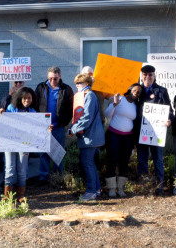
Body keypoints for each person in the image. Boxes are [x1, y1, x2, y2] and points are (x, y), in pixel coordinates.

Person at [134, 64, 172, 195]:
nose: (147, 77)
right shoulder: (136, 91)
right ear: (141, 76)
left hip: (157, 132)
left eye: (150, 75)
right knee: (142, 160)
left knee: (158, 160)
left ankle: (159, 187)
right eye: (145, 75)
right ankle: (145, 187)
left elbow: (170, 111)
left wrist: (169, 120)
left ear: (154, 76)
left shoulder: (162, 91)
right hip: (141, 131)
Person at [35, 66, 74, 185]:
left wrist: (64, 122)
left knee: (58, 153)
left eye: (55, 79)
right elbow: (35, 104)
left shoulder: (66, 89)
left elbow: (70, 108)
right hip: (44, 127)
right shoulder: (41, 87)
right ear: (48, 76)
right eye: (51, 78)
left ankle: (57, 177)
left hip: (58, 126)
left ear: (60, 77)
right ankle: (43, 177)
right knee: (43, 153)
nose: (53, 81)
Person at [0, 86, 37, 202]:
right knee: (9, 168)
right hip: (9, 143)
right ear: (20, 98)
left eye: (29, 98)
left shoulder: (33, 112)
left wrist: (46, 128)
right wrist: (1, 113)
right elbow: (3, 121)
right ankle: (7, 196)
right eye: (24, 98)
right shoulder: (11, 107)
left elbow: (38, 127)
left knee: (22, 169)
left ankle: (20, 195)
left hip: (24, 144)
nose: (27, 101)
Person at [69, 73, 104, 201]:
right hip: (92, 137)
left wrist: (73, 129)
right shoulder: (89, 95)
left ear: (87, 84)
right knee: (91, 164)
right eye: (76, 83)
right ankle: (96, 189)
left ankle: (91, 191)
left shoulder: (89, 95)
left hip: (90, 137)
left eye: (79, 83)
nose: (77, 85)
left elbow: (87, 118)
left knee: (87, 163)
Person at [104, 83, 142, 198]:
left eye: (139, 92)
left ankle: (120, 188)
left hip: (128, 138)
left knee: (124, 162)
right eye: (135, 90)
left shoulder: (136, 105)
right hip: (113, 135)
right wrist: (114, 104)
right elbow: (107, 114)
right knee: (112, 160)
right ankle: (111, 188)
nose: (136, 93)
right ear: (129, 90)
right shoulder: (119, 99)